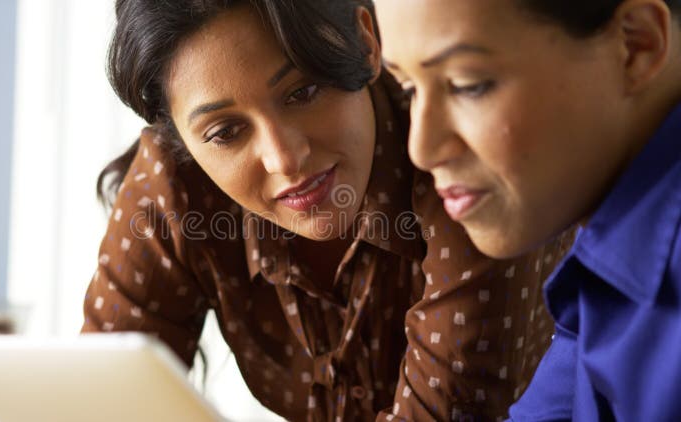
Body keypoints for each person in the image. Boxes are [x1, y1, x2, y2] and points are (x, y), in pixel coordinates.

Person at [82, 1, 573, 420]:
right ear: (179, 139)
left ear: (364, 41)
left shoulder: (456, 160)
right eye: (226, 133)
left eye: (302, 92)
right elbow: (99, 402)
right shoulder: (172, 183)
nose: (285, 158)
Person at [374, 0, 681, 420]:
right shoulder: (607, 232)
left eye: (468, 84)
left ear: (635, 45)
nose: (421, 149)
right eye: (408, 89)